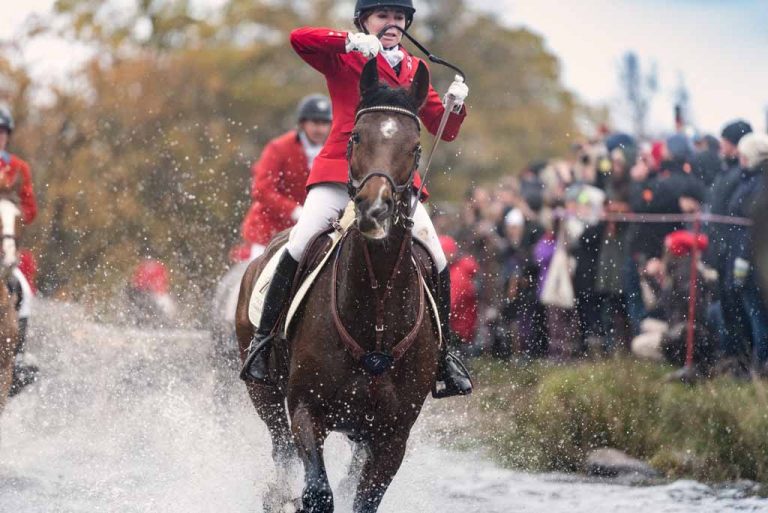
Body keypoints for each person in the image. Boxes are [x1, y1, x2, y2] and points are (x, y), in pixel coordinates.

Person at [241, 0, 472, 398]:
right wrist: (348, 42)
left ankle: (446, 356)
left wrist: (457, 106)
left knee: (436, 257)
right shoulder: (345, 55)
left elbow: (444, 130)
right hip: (338, 175)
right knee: (298, 245)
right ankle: (263, 343)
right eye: (383, 16)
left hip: (398, 188)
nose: (393, 24)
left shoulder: (417, 69)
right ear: (365, 20)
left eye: (399, 18)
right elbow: (299, 39)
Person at [240, 94, 332, 259]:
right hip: (268, 232)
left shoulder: (333, 151)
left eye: (325, 123)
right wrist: (295, 211)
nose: (320, 129)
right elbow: (261, 190)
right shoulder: (279, 148)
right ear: (303, 124)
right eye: (315, 123)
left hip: (310, 232)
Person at [0, 106, 39, 395]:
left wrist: (14, 211)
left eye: (2, 132)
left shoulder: (19, 168)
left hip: (5, 244)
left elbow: (30, 209)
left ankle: (19, 356)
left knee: (23, 291)